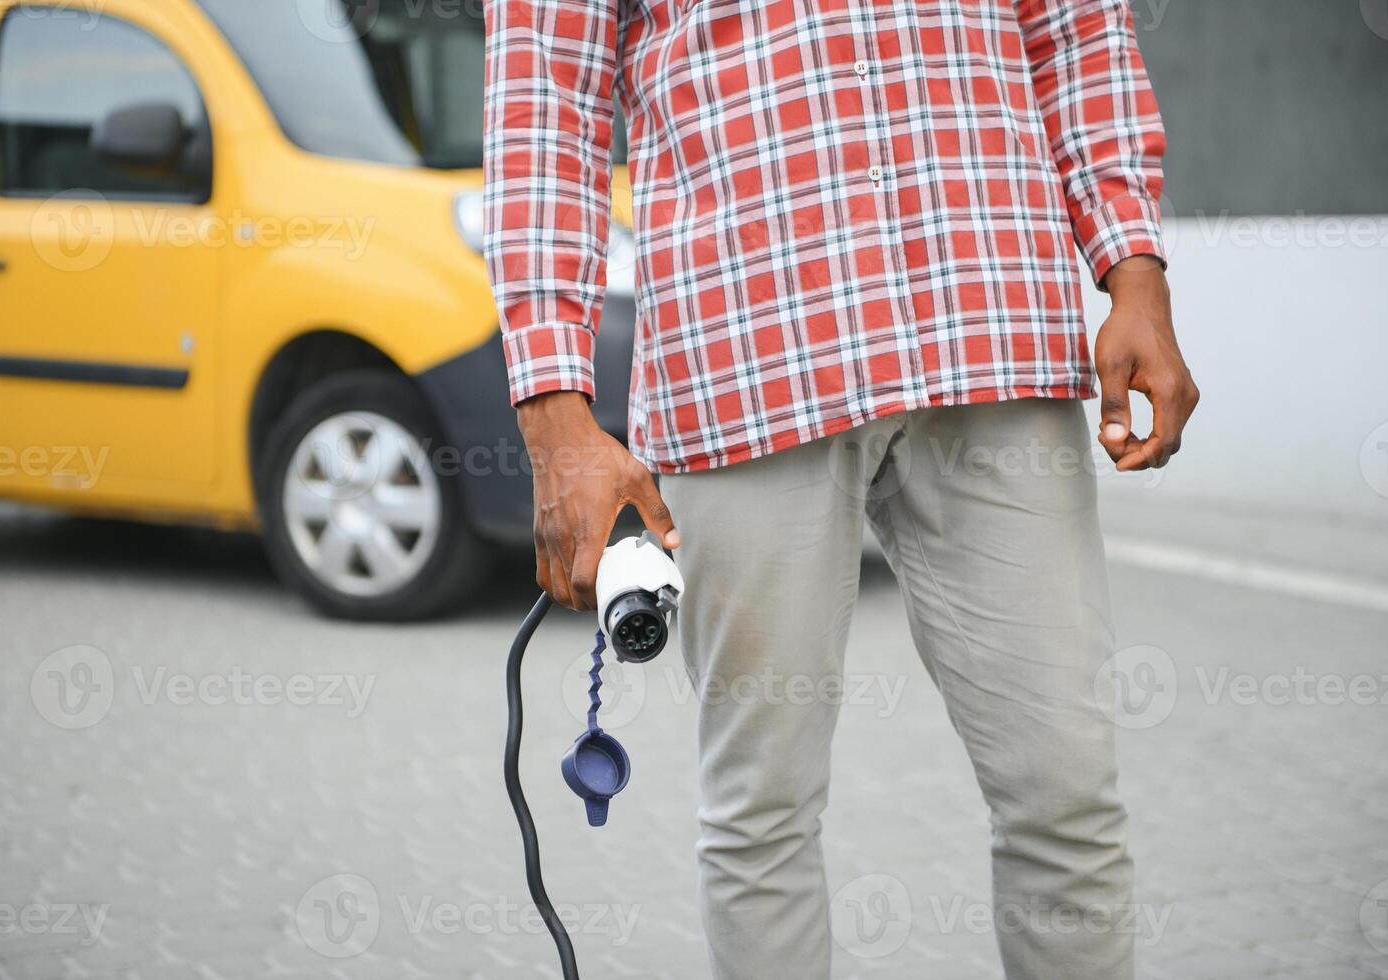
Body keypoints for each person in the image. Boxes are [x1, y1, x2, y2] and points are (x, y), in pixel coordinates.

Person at [483, 1, 1198, 976]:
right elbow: (542, 105)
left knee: (1067, 794)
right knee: (761, 811)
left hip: (992, 317)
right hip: (747, 347)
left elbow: (1074, 30)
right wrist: (555, 416)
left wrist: (1134, 272)